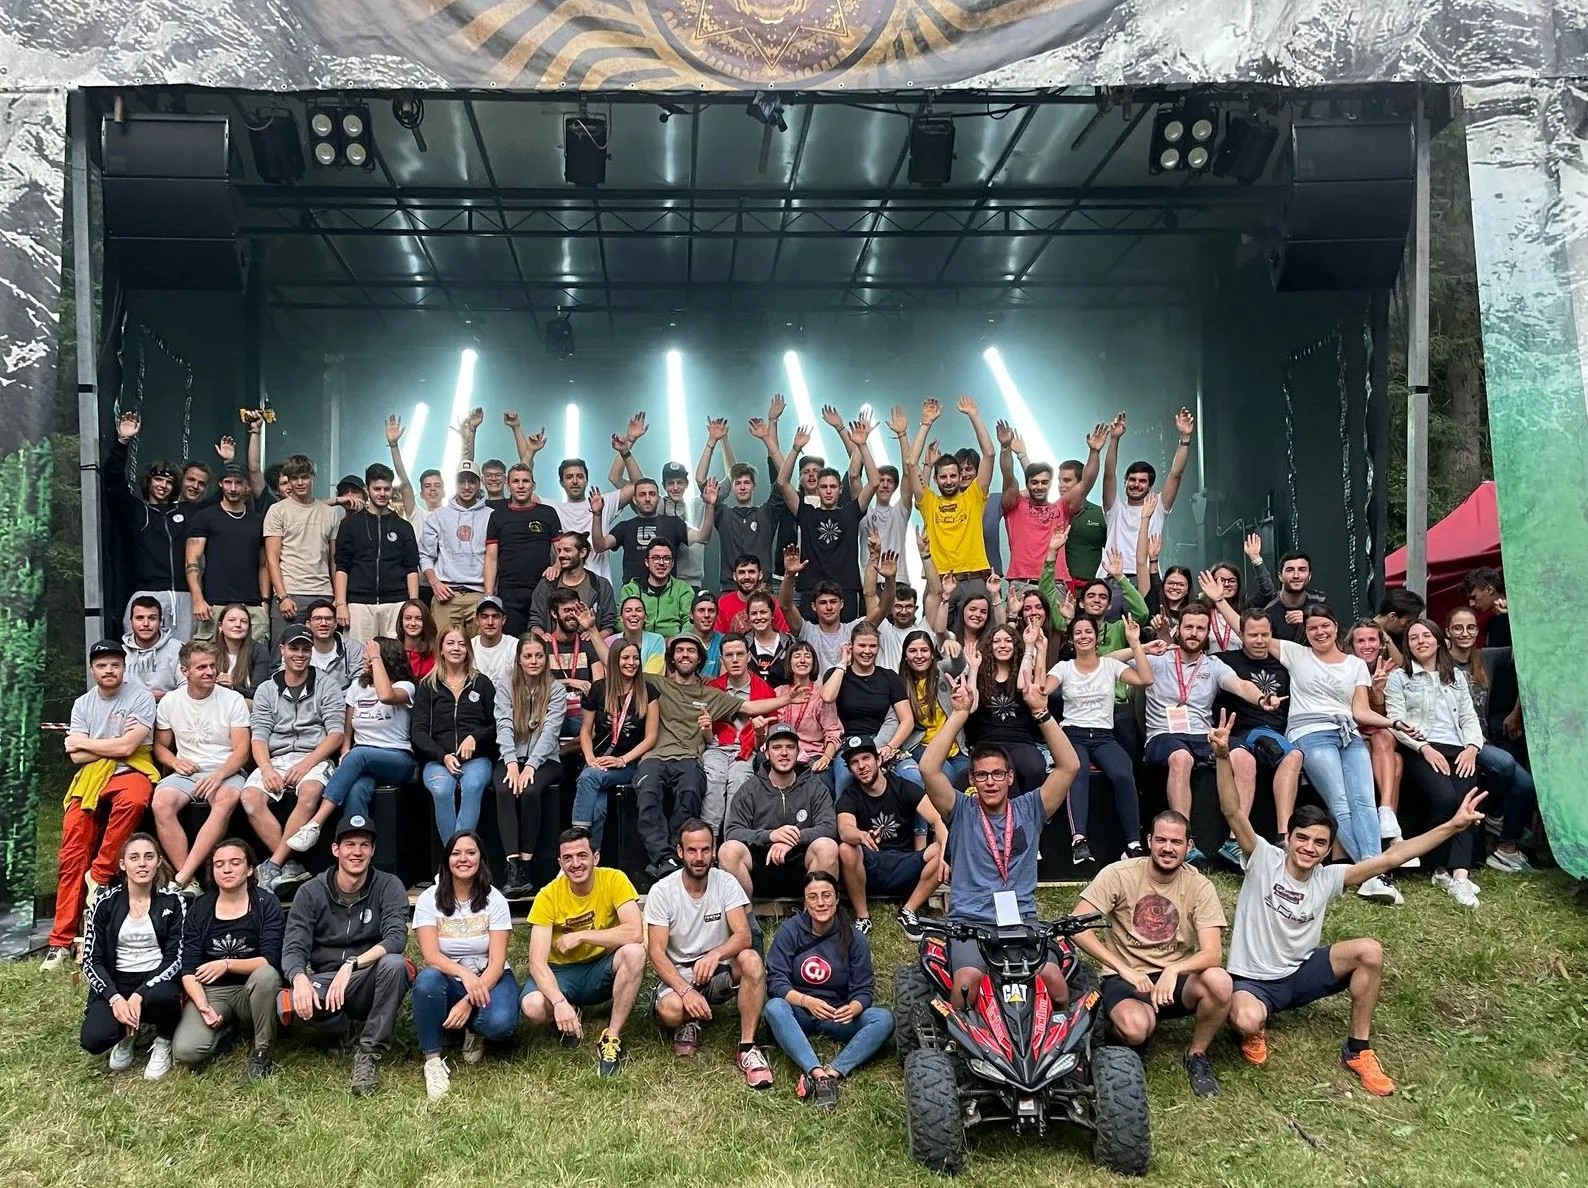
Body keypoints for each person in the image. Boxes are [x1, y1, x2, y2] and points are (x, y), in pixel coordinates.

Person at [1211, 710, 1488, 1095]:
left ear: (1328, 850)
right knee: (1244, 1019)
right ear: (1288, 838)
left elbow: (1392, 857)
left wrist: (1453, 826)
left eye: (1319, 843)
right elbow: (1232, 811)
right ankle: (1254, 1027)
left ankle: (1358, 1050)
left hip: (1301, 974)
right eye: (1302, 838)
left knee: (1369, 950)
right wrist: (1223, 757)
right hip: (1254, 981)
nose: (1309, 848)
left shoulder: (1329, 877)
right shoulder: (1263, 858)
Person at [919, 673, 1080, 1011]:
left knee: (1056, 985)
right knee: (966, 985)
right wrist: (960, 714)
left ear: (1010, 777)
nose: (990, 782)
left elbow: (1069, 767)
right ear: (972, 779)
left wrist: (1041, 712)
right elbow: (929, 769)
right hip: (970, 923)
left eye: (997, 774)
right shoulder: (961, 810)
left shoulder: (1031, 808)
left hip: (1022, 921)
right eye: (981, 775)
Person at [1070, 812, 1233, 1097]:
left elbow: (1212, 954)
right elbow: (1076, 925)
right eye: (1161, 840)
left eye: (1176, 842)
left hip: (1174, 981)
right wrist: (1122, 968)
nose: (1167, 848)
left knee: (1220, 982)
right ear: (1149, 841)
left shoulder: (1199, 886)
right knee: (1135, 1029)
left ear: (1188, 846)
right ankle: (1128, 1040)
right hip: (1127, 978)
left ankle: (1197, 1055)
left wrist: (1174, 970)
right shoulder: (1119, 874)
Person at [1272, 604, 1419, 905]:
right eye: (1312, 628)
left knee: (1364, 800)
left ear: (1336, 627)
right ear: (1306, 632)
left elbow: (1360, 711)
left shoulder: (1355, 664)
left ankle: (1372, 874)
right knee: (1339, 801)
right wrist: (1220, 602)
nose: (1319, 632)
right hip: (1310, 731)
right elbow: (1252, 633)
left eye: (1324, 626)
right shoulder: (1296, 654)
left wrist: (1393, 723)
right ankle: (1374, 873)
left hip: (1348, 733)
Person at [42, 640, 160, 971]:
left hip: (132, 769)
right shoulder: (82, 704)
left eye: (115, 665)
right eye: (102, 665)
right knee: (71, 852)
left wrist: (89, 742)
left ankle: (101, 873)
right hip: (91, 776)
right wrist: (112, 744)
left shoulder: (140, 697)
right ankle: (60, 941)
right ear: (93, 670)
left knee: (135, 798)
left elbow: (127, 749)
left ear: (124, 667)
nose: (109, 670)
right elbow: (76, 756)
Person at [633, 634, 792, 878]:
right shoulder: (655, 684)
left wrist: (788, 699)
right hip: (656, 756)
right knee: (649, 791)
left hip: (690, 757)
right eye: (679, 650)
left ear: (700, 659)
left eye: (691, 651)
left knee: (693, 790)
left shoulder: (709, 693)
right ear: (671, 658)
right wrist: (592, 631)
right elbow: (619, 664)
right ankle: (665, 858)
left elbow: (748, 707)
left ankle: (708, 850)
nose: (685, 655)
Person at [1140, 602, 1284, 864]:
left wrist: (1261, 698)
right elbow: (1107, 662)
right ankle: (1185, 842)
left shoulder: (1213, 664)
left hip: (1202, 734)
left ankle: (1235, 841)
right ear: (1178, 630)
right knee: (1181, 758)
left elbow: (1241, 685)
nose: (1194, 633)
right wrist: (1139, 648)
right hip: (1163, 734)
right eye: (1189, 627)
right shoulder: (1156, 659)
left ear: (1207, 633)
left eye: (1200, 628)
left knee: (1245, 758)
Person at [280, 815, 412, 1095]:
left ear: (373, 851)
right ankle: (341, 1030)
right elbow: (293, 947)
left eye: (364, 845)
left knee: (395, 965)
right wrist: (299, 979)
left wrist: (352, 964)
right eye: (350, 844)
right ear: (335, 849)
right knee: (285, 1002)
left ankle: (368, 1052)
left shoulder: (389, 885)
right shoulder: (310, 891)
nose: (357, 852)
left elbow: (396, 938)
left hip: (366, 977)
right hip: (326, 980)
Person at [644, 820, 774, 1087]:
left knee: (751, 959)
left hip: (718, 971)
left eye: (705, 850)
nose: (699, 857)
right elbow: (656, 953)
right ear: (680, 852)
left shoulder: (726, 882)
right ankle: (688, 1020)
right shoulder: (662, 891)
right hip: (679, 973)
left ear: (714, 850)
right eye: (692, 850)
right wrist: (685, 990)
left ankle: (747, 1047)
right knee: (671, 1011)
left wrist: (715, 955)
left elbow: (743, 936)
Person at [521, 827, 645, 1076]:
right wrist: (558, 1002)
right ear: (560, 863)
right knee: (533, 1006)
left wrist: (581, 935)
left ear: (595, 857)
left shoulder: (614, 879)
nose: (575, 864)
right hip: (561, 973)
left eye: (582, 855)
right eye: (568, 858)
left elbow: (635, 932)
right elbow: (536, 962)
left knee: (635, 953)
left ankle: (611, 1037)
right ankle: (570, 1009)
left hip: (601, 967)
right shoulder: (547, 896)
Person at [764, 870, 894, 1107]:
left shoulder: (855, 938)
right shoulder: (790, 931)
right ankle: (817, 1074)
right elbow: (775, 981)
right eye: (813, 897)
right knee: (774, 1007)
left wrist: (853, 1008)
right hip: (799, 1012)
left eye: (826, 895)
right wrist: (806, 1001)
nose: (821, 903)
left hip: (836, 1015)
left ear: (837, 898)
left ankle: (834, 1072)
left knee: (883, 1019)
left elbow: (864, 989)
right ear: (805, 903)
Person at [1383, 620, 1486, 907]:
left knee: (1467, 804)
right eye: (1413, 637)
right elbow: (1395, 721)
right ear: (1408, 645)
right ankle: (1439, 868)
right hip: (1420, 749)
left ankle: (1461, 876)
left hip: (1459, 748)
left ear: (1439, 640)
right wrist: (1425, 748)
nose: (1421, 641)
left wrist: (1472, 748)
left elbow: (1468, 717)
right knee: (1445, 798)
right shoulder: (1399, 678)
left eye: (1426, 635)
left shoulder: (1456, 676)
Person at [413, 830, 518, 1101]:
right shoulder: (428, 899)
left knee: (501, 1023)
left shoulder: (495, 900)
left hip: (489, 978)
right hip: (449, 978)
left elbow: (497, 962)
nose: (463, 859)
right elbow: (430, 955)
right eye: (456, 853)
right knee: (426, 981)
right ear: (447, 859)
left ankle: (473, 1028)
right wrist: (463, 973)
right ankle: (433, 1061)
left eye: (471, 853)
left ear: (481, 859)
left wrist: (470, 1000)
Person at [287, 639, 417, 851]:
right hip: (361, 761)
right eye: (367, 655)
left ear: (386, 659)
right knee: (356, 789)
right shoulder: (358, 686)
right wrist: (345, 750)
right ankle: (357, 848)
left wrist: (376, 658)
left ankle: (315, 823)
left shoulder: (405, 687)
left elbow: (386, 696)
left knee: (359, 754)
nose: (365, 659)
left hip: (397, 758)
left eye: (370, 656)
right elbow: (348, 729)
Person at [172, 839, 284, 1079]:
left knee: (266, 976)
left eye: (235, 863)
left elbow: (270, 960)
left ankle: (262, 1050)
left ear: (250, 869)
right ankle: (227, 1027)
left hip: (252, 990)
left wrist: (226, 964)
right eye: (219, 864)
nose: (226, 869)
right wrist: (202, 1005)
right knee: (186, 1051)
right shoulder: (200, 907)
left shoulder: (266, 903)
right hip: (213, 993)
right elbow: (188, 968)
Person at [1046, 614, 1153, 864]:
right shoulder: (1064, 668)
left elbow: (1146, 679)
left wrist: (1135, 643)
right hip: (1073, 733)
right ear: (1072, 640)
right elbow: (1043, 689)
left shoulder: (1110, 665)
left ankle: (1133, 843)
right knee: (1077, 770)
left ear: (1097, 637)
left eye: (1088, 632)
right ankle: (1079, 840)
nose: (1083, 636)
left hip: (1104, 735)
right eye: (1078, 633)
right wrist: (1039, 651)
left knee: (1123, 772)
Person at [246, 625, 344, 891]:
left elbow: (336, 733)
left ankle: (273, 864)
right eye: (294, 648)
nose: (299, 654)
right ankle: (290, 865)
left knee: (310, 791)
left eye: (305, 649)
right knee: (250, 799)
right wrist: (266, 768)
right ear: (282, 650)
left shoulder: (327, 684)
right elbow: (259, 736)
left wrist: (305, 764)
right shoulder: (267, 689)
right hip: (276, 757)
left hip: (314, 756)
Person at [79, 833, 185, 1079]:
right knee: (94, 1039)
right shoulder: (104, 903)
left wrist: (140, 993)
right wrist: (115, 997)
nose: (142, 864)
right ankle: (128, 1032)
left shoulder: (173, 901)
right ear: (123, 864)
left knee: (164, 997)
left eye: (149, 857)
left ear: (158, 862)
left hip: (156, 981)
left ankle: (163, 1039)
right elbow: (91, 960)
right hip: (117, 981)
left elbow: (176, 957)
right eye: (134, 858)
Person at [150, 639, 252, 894]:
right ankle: (191, 882)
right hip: (188, 771)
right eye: (202, 667)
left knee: (226, 799)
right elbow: (160, 746)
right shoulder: (171, 701)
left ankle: (182, 876)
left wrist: (219, 775)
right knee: (161, 803)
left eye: (212, 666)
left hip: (226, 769)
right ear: (185, 671)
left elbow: (242, 751)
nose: (210, 672)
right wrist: (174, 761)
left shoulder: (233, 699)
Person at [1446, 606, 1537, 872]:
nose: (1465, 633)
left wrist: (1511, 614)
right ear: (1448, 631)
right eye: (1458, 628)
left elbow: (1527, 646)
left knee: (1526, 785)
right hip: (1455, 743)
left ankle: (1506, 849)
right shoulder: (1440, 662)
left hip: (1483, 740)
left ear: (1478, 631)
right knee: (1505, 764)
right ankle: (1494, 810)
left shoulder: (1487, 657)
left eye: (1471, 628)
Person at [1209, 608, 1304, 859]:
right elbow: (1241, 685)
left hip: (1274, 733)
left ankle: (1283, 837)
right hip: (1237, 732)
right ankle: (1234, 840)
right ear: (1241, 635)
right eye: (1253, 635)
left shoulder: (1285, 663)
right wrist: (1262, 700)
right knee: (1244, 760)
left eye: (1265, 635)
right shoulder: (1223, 660)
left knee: (1293, 756)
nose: (1259, 641)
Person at [834, 733, 946, 939]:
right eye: (854, 762)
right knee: (846, 848)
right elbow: (845, 828)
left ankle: (908, 910)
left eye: (866, 758)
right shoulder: (850, 796)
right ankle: (862, 916)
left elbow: (937, 819)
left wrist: (947, 847)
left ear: (878, 760)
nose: (861, 766)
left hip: (905, 863)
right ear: (850, 770)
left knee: (944, 848)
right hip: (871, 866)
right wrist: (861, 835)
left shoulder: (903, 787)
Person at [106, 411, 198, 641]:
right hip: (148, 592)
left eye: (169, 482)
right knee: (141, 651)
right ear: (149, 481)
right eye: (158, 479)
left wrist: (228, 463)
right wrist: (122, 442)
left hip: (184, 595)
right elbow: (114, 483)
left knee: (184, 654)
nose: (163, 485)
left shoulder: (185, 513)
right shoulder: (137, 511)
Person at [720, 724, 841, 897]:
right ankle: (745, 913)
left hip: (803, 866)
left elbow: (829, 827)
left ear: (798, 752)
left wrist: (792, 839)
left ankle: (813, 912)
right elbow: (733, 831)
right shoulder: (749, 789)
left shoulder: (815, 787)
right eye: (777, 747)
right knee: (728, 851)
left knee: (827, 847)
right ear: (767, 753)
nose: (784, 753)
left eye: (790, 747)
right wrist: (770, 836)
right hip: (761, 864)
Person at [494, 635, 569, 897]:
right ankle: (512, 867)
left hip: (546, 759)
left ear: (546, 659)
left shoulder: (556, 689)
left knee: (530, 790)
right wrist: (511, 762)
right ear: (519, 659)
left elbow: (550, 732)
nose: (534, 661)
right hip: (511, 756)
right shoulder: (505, 686)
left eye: (539, 655)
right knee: (504, 789)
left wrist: (531, 766)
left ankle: (526, 864)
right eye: (528, 656)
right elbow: (503, 725)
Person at [413, 626, 498, 847]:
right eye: (450, 643)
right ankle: (457, 855)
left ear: (468, 649)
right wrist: (442, 756)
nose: (456, 648)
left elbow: (497, 724)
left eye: (461, 644)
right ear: (441, 649)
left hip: (476, 759)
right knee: (441, 791)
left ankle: (457, 854)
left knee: (472, 786)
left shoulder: (482, 683)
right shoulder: (428, 685)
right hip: (438, 760)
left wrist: (475, 738)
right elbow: (418, 732)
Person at [572, 640, 658, 849]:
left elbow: (651, 738)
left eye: (635, 658)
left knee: (589, 777)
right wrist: (590, 759)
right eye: (625, 658)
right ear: (614, 660)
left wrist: (622, 760)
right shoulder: (599, 688)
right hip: (597, 760)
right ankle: (593, 855)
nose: (631, 663)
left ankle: (576, 843)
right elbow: (585, 730)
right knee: (597, 808)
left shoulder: (648, 691)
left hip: (628, 764)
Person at [776, 426, 872, 614]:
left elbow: (873, 482)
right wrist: (795, 449)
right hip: (811, 587)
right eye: (824, 487)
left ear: (840, 489)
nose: (828, 491)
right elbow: (782, 483)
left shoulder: (850, 512)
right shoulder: (806, 513)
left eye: (833, 487)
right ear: (817, 488)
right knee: (808, 634)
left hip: (846, 588)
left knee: (848, 634)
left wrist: (863, 446)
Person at [1000, 421, 1102, 589]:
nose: (1040, 486)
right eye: (1034, 482)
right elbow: (1008, 475)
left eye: (1044, 482)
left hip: (1055, 583)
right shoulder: (1015, 505)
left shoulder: (1061, 507)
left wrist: (1094, 452)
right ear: (1027, 484)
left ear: (1050, 484)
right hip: (1022, 582)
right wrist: (1005, 448)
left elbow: (1085, 484)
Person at [1096, 409, 1193, 582]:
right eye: (1132, 479)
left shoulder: (1157, 507)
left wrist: (1185, 439)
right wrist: (1114, 439)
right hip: (1111, 577)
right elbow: (1108, 474)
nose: (1136, 484)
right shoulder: (1115, 508)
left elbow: (1176, 474)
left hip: (1145, 577)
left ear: (1150, 486)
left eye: (1142, 481)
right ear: (1125, 482)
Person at [823, 623, 918, 797]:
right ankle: (844, 815)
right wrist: (843, 663)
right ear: (851, 646)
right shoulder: (836, 674)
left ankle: (916, 818)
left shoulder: (889, 677)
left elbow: (907, 720)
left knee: (913, 776)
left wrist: (890, 747)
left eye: (873, 646)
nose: (867, 651)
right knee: (846, 778)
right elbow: (828, 696)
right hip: (850, 744)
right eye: (862, 645)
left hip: (884, 742)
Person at [909, 396, 996, 580]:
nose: (948, 481)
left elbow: (989, 454)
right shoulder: (929, 502)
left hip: (973, 578)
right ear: (936, 479)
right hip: (939, 579)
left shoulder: (973, 497)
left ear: (960, 476)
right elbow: (911, 463)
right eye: (943, 477)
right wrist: (925, 424)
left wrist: (974, 416)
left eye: (953, 476)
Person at [263, 454, 346, 645]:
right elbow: (272, 558)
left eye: (305, 477)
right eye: (294, 478)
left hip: (324, 593)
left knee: (324, 651)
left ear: (312, 477)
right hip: (291, 592)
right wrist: (282, 596)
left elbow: (334, 560)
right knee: (283, 653)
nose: (300, 483)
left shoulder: (329, 514)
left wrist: (337, 597)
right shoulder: (277, 510)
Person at [333, 462, 420, 642]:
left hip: (397, 602)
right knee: (359, 655)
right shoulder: (350, 525)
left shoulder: (403, 527)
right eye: (377, 489)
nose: (382, 493)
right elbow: (342, 566)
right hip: (359, 603)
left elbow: (411, 568)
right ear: (367, 489)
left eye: (386, 489)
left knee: (397, 655)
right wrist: (341, 603)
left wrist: (413, 605)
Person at [185, 462, 268, 641]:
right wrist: (198, 600)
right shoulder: (205, 517)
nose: (233, 488)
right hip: (214, 605)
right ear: (220, 484)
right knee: (210, 657)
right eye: (228, 482)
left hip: (252, 605)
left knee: (254, 656)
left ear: (246, 485)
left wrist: (265, 602)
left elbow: (264, 564)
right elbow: (192, 560)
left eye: (238, 483)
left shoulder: (258, 521)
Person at [963, 622, 1048, 793]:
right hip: (988, 741)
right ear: (990, 646)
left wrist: (1029, 646)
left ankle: (1031, 808)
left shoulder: (1024, 670)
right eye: (997, 641)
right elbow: (970, 707)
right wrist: (973, 668)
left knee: (1036, 768)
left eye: (1008, 641)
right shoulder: (980, 675)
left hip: (1021, 740)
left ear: (1015, 645)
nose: (1002, 645)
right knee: (1005, 776)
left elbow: (1023, 685)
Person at [483, 463, 561, 635]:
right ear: (508, 485)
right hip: (509, 592)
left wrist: (557, 566)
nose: (520, 486)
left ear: (533, 485)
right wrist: (489, 595)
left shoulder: (548, 513)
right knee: (512, 642)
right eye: (515, 481)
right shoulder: (497, 516)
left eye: (525, 481)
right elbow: (491, 557)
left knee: (543, 641)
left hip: (543, 589)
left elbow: (562, 549)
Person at [421, 460, 495, 635]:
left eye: (472, 481)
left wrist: (489, 595)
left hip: (478, 594)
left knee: (479, 648)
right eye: (462, 481)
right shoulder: (438, 516)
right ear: (454, 484)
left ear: (479, 483)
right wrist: (435, 583)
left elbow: (496, 557)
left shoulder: (492, 516)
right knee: (443, 646)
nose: (467, 487)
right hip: (446, 595)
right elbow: (425, 555)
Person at [898, 629, 966, 789]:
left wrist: (955, 647)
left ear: (932, 654)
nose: (919, 655)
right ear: (906, 656)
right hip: (922, 746)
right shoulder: (899, 683)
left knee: (967, 779)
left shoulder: (941, 670)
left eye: (924, 650)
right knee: (946, 776)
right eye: (912, 651)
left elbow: (958, 664)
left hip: (954, 748)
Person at [774, 639, 842, 786]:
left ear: (813, 663)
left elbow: (833, 732)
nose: (803, 660)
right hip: (782, 753)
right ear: (789, 663)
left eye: (808, 656)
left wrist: (826, 758)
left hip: (812, 755)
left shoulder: (822, 693)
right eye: (797, 656)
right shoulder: (778, 693)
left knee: (822, 781)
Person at [529, 530, 618, 636]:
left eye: (567, 550)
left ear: (582, 553)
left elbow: (609, 624)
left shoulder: (601, 585)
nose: (561, 555)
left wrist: (595, 636)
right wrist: (542, 637)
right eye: (559, 550)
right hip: (553, 645)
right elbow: (535, 621)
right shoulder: (547, 584)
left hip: (590, 645)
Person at [619, 539, 695, 638]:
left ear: (672, 563)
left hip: (672, 644)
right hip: (639, 642)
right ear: (647, 562)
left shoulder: (683, 589)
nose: (661, 563)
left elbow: (690, 621)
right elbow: (620, 620)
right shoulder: (631, 589)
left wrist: (679, 640)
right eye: (656, 558)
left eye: (666, 558)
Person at [122, 595, 183, 701]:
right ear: (131, 621)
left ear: (160, 622)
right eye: (140, 618)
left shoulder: (178, 649)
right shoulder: (121, 653)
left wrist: (165, 697)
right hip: (132, 708)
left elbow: (189, 688)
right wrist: (146, 698)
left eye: (152, 618)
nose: (146, 624)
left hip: (170, 707)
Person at [1262, 552, 1328, 644]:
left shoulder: (1320, 600)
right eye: (1290, 570)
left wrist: (1309, 621)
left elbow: (1332, 635)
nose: (1296, 575)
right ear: (1280, 576)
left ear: (1309, 576)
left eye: (1302, 570)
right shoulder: (1269, 608)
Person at [212, 602, 274, 701]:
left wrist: (233, 686)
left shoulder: (259, 651)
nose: (238, 625)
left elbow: (259, 693)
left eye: (244, 622)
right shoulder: (210, 650)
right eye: (232, 620)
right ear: (220, 626)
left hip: (245, 703)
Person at [715, 554, 788, 634]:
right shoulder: (723, 603)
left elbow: (783, 636)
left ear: (760, 575)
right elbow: (718, 636)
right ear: (735, 576)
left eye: (751, 572)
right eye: (742, 572)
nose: (747, 577)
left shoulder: (774, 603)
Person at [302, 598, 356, 694]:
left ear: (335, 624)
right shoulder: (298, 649)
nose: (323, 623)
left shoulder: (353, 648)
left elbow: (359, 683)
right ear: (308, 624)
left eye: (328, 619)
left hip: (344, 700)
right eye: (317, 619)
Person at [468, 595, 516, 685]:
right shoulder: (469, 647)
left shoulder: (514, 646)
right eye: (484, 616)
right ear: (477, 620)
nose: (490, 622)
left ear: (503, 620)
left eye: (495, 616)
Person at [1461, 566, 1510, 646]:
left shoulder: (1516, 617)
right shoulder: (1491, 623)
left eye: (1474, 597)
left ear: (1490, 590)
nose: (1471, 604)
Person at [397, 597, 437, 679]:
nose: (413, 623)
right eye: (408, 618)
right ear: (401, 621)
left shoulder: (436, 653)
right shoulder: (392, 651)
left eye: (419, 619)